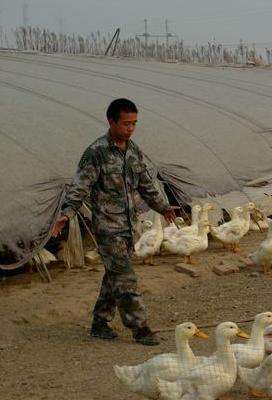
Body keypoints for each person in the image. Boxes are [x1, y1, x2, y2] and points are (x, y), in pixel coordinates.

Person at [52, 98, 178, 346]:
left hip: (129, 227)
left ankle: (100, 322)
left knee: (114, 276)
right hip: (108, 228)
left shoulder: (133, 150)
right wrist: (67, 213)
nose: (130, 129)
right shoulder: (96, 153)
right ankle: (140, 328)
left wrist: (163, 207)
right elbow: (79, 187)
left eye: (134, 124)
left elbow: (145, 185)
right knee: (126, 278)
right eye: (126, 124)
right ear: (111, 121)